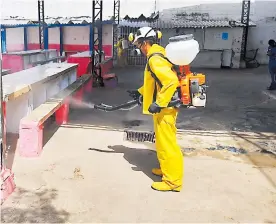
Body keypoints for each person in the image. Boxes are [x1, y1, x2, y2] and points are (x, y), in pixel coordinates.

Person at [128, 27, 183, 192]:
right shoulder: (160, 53)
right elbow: (155, 81)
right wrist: (140, 92)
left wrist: (159, 102)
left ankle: (173, 182)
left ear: (145, 43)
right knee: (161, 142)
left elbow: (171, 81)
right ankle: (166, 170)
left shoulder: (154, 59)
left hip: (165, 109)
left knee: (168, 144)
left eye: (139, 44)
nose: (139, 48)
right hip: (164, 109)